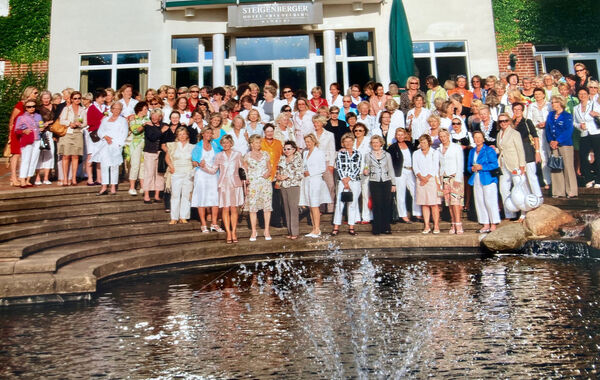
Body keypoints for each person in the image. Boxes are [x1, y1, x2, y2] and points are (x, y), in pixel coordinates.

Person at [208, 135, 245, 243]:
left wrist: (246, 182)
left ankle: (234, 232)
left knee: (234, 208)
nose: (225, 145)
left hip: (235, 184)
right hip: (224, 185)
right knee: (225, 208)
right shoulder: (219, 155)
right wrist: (203, 166)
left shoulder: (237, 155)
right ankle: (228, 232)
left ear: (231, 143)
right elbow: (213, 170)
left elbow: (243, 169)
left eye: (227, 143)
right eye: (223, 143)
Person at [299, 133, 332, 238]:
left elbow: (323, 168)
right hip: (307, 181)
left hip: (316, 180)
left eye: (309, 141)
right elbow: (303, 166)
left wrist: (311, 172)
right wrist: (304, 172)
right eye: (306, 142)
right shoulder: (305, 153)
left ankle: (317, 229)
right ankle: (313, 228)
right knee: (310, 205)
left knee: (314, 205)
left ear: (314, 141)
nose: (307, 143)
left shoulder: (319, 152)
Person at [92, 102, 128, 195]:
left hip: (116, 145)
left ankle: (113, 186)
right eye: (115, 108)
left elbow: (124, 134)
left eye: (119, 109)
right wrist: (105, 137)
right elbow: (100, 131)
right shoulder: (105, 119)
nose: (116, 110)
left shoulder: (122, 120)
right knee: (104, 165)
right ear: (111, 109)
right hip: (105, 144)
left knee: (114, 166)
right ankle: (104, 186)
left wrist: (117, 144)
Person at [468, 130, 501, 232]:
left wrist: (482, 166)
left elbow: (495, 165)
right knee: (480, 201)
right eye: (475, 137)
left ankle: (493, 223)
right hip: (477, 178)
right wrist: (472, 169)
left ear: (483, 138)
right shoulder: (472, 151)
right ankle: (485, 224)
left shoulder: (489, 150)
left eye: (479, 137)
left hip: (488, 178)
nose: (477, 139)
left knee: (490, 201)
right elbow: (468, 166)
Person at [496, 113, 527, 220]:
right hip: (503, 163)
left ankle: (523, 213)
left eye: (505, 121)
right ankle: (509, 213)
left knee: (520, 188)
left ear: (509, 121)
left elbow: (520, 150)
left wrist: (522, 165)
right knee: (503, 189)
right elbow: (501, 149)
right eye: (501, 121)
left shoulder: (515, 133)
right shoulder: (499, 134)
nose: (503, 123)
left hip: (515, 163)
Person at [192, 127, 222, 233]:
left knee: (215, 199)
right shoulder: (198, 146)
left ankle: (214, 223)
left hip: (214, 175)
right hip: (201, 175)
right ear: (203, 134)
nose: (209, 134)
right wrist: (199, 164)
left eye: (210, 132)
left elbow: (221, 157)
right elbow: (194, 162)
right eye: (207, 132)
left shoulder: (215, 145)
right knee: (202, 198)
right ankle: (204, 224)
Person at [546, 95, 577, 199]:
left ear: (560, 103)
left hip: (565, 144)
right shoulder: (550, 115)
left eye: (555, 102)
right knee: (555, 167)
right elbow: (548, 129)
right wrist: (551, 140)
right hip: (553, 144)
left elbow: (568, 130)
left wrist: (558, 141)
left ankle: (571, 190)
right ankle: (558, 191)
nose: (553, 104)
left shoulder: (567, 115)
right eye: (552, 102)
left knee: (568, 167)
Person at [332, 133, 362, 236]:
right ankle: (336, 226)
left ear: (353, 142)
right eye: (346, 141)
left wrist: (349, 179)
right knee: (340, 204)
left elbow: (358, 168)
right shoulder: (340, 154)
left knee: (352, 204)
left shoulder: (358, 154)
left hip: (354, 181)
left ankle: (351, 226)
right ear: (343, 143)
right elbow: (339, 167)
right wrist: (345, 181)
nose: (348, 143)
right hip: (342, 181)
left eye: (350, 141)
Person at [244, 134, 273, 241]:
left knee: (267, 207)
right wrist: (246, 182)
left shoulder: (265, 154)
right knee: (253, 208)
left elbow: (270, 168)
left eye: (259, 142)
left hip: (265, 184)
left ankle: (266, 230)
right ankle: (254, 231)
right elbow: (244, 171)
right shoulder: (247, 156)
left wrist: (268, 173)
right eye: (256, 142)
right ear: (251, 144)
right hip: (253, 184)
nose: (258, 144)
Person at [364, 135, 395, 235]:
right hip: (374, 181)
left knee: (386, 204)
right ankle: (376, 228)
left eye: (377, 142)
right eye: (373, 143)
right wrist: (366, 171)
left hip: (386, 181)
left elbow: (391, 169)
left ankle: (386, 227)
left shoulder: (387, 155)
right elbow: (366, 166)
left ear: (381, 143)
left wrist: (393, 184)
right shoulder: (368, 155)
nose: (375, 144)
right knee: (377, 204)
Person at [7, 87, 39, 186]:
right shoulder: (20, 104)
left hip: (26, 133)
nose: (37, 94)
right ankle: (13, 177)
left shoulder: (32, 106)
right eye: (35, 93)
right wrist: (10, 134)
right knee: (16, 154)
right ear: (29, 93)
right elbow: (12, 119)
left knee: (23, 155)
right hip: (17, 132)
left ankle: (22, 177)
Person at [388, 128, 420, 223]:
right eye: (398, 135)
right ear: (395, 136)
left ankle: (417, 213)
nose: (400, 136)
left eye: (402, 134)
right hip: (400, 172)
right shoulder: (392, 147)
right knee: (401, 194)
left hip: (411, 171)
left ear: (405, 135)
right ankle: (403, 215)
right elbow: (390, 163)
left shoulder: (409, 144)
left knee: (415, 191)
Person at [164, 127, 195, 224]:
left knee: (186, 195)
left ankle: (183, 216)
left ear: (187, 135)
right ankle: (174, 217)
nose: (182, 136)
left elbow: (194, 160)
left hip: (188, 172)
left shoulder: (192, 147)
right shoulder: (173, 145)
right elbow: (167, 158)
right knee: (175, 195)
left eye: (184, 134)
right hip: (176, 172)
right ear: (177, 135)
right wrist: (171, 166)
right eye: (180, 134)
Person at [512, 102, 543, 200]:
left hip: (527, 149)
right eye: (515, 109)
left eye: (519, 109)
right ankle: (527, 198)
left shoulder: (527, 122)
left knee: (531, 175)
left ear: (522, 111)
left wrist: (537, 152)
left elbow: (535, 137)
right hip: (516, 151)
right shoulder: (511, 123)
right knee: (522, 177)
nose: (517, 111)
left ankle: (538, 196)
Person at [413, 134, 441, 234]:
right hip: (420, 180)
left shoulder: (434, 153)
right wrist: (421, 177)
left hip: (431, 180)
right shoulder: (416, 153)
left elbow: (435, 167)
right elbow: (415, 167)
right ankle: (427, 226)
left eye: (424, 142)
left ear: (429, 142)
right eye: (421, 142)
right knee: (424, 204)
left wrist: (427, 178)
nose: (423, 144)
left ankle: (436, 226)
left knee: (434, 204)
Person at [438, 128, 465, 234]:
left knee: (456, 202)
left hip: (455, 177)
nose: (442, 138)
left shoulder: (456, 147)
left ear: (448, 136)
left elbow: (460, 164)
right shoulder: (439, 148)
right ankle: (453, 224)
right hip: (444, 178)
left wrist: (458, 178)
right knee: (449, 202)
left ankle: (459, 224)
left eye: (444, 136)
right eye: (440, 136)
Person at [58, 91, 87, 186]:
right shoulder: (66, 109)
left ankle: (73, 178)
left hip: (78, 133)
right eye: (75, 98)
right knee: (66, 156)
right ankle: (65, 178)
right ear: (71, 99)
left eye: (79, 98)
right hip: (68, 133)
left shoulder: (82, 110)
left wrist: (80, 124)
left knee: (75, 156)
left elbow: (85, 123)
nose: (77, 100)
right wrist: (70, 124)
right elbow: (61, 120)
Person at [276, 140, 304, 239]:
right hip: (283, 186)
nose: (286, 151)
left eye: (289, 149)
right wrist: (278, 177)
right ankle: (290, 231)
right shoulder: (282, 159)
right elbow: (278, 170)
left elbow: (300, 173)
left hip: (294, 186)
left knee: (293, 209)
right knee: (286, 209)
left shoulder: (298, 159)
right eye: (285, 149)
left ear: (294, 150)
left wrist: (287, 176)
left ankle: (295, 232)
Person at [574, 87, 600, 188]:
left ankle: (598, 179)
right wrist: (580, 126)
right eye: (580, 94)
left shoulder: (594, 104)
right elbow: (574, 122)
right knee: (583, 156)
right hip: (584, 133)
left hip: (596, 132)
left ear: (588, 95)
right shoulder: (576, 108)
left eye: (584, 94)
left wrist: (597, 114)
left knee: (598, 156)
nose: (582, 96)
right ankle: (589, 178)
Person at [526, 87, 552, 189]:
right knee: (542, 156)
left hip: (549, 132)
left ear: (543, 95)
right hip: (538, 133)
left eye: (539, 94)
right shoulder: (531, 106)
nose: (537, 96)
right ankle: (547, 181)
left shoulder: (549, 105)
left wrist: (546, 123)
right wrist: (536, 126)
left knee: (551, 155)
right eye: (535, 94)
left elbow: (553, 117)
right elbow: (529, 120)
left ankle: (556, 180)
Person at [14, 99, 43, 187]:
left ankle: (28, 179)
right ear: (25, 108)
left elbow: (41, 125)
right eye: (29, 107)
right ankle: (22, 179)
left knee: (34, 160)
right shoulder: (21, 117)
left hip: (37, 139)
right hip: (27, 140)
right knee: (26, 160)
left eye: (33, 106)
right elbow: (16, 130)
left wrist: (42, 128)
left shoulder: (38, 116)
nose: (31, 108)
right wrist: (24, 131)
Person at [261, 124, 284, 228]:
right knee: (264, 198)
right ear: (264, 132)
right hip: (264, 174)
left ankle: (276, 221)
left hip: (275, 174)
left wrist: (279, 173)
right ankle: (262, 222)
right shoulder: (260, 142)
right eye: (267, 131)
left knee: (275, 199)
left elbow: (281, 158)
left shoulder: (278, 143)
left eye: (271, 131)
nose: (269, 133)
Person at [313, 115, 336, 213]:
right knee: (318, 186)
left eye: (318, 122)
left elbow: (332, 149)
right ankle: (320, 208)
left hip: (326, 161)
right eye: (314, 122)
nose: (316, 124)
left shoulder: (329, 134)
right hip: (314, 163)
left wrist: (331, 164)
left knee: (330, 185)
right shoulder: (311, 134)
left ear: (322, 123)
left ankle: (331, 208)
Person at [142, 109, 165, 203]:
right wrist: (161, 132)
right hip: (150, 152)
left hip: (160, 152)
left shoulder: (164, 125)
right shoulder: (148, 125)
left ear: (160, 117)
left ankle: (157, 195)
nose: (154, 118)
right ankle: (146, 195)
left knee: (159, 174)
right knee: (149, 174)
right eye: (153, 116)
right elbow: (152, 137)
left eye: (157, 116)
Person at [85, 89, 107, 185]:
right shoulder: (92, 108)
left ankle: (99, 178)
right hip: (94, 135)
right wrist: (101, 121)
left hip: (102, 136)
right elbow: (90, 122)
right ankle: (90, 178)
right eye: (102, 97)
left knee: (100, 157)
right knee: (91, 156)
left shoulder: (105, 108)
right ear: (97, 97)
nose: (104, 99)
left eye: (104, 97)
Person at [127, 101, 149, 195]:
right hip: (135, 143)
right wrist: (143, 125)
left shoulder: (147, 118)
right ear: (139, 109)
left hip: (145, 144)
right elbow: (135, 130)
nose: (146, 111)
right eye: (145, 109)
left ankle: (142, 186)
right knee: (135, 164)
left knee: (143, 166)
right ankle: (132, 187)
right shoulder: (133, 119)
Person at [35, 91, 56, 185]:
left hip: (51, 133)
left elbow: (58, 118)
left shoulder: (55, 107)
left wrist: (50, 122)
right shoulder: (38, 109)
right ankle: (38, 177)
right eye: (44, 98)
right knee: (39, 155)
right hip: (41, 133)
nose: (46, 100)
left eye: (47, 98)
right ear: (41, 99)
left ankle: (46, 177)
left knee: (50, 154)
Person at [353, 122, 372, 223]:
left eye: (360, 130)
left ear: (364, 131)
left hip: (365, 171)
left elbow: (370, 156)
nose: (358, 132)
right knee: (355, 195)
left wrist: (366, 167)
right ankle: (355, 217)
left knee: (365, 194)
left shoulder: (368, 141)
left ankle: (367, 217)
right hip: (354, 172)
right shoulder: (352, 141)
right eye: (356, 130)